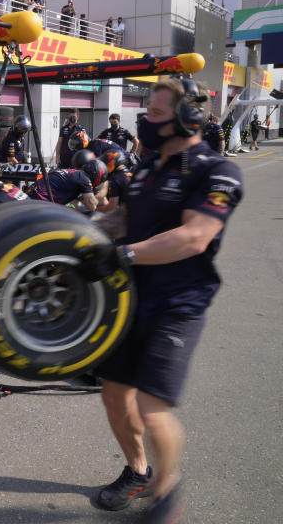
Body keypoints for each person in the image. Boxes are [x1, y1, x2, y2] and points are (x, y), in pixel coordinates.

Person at [79, 77, 243, 521]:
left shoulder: (216, 172)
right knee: (114, 395)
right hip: (131, 299)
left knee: (151, 407)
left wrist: (124, 254)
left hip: (179, 304)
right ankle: (139, 471)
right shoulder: (149, 166)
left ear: (187, 119)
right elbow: (121, 219)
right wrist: (72, 228)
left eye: (154, 113)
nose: (144, 119)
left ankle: (166, 495)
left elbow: (194, 236)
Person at [29, 160, 107, 212]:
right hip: (41, 200)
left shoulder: (75, 173)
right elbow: (92, 206)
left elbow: (75, 202)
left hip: (33, 194)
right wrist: (96, 195)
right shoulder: (84, 179)